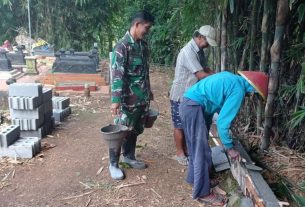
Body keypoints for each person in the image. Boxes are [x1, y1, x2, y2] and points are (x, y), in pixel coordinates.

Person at [179, 71, 269, 206]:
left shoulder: (231, 78)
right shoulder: (238, 90)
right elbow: (222, 123)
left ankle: (195, 179)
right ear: (252, 89)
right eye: (254, 94)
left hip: (190, 105)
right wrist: (229, 147)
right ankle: (203, 193)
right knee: (200, 152)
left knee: (197, 148)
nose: (250, 96)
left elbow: (214, 102)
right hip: (194, 107)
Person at [109, 10, 155, 180]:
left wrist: (148, 90)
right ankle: (113, 164)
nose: (147, 31)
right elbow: (117, 75)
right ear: (137, 25)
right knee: (120, 131)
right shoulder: (122, 47)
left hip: (141, 99)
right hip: (127, 100)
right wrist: (115, 101)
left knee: (134, 129)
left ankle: (129, 157)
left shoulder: (143, 46)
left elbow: (145, 71)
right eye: (146, 28)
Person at [169, 25, 217, 165]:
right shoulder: (188, 52)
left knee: (188, 124)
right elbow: (201, 75)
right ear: (200, 37)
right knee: (179, 125)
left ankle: (187, 150)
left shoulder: (199, 51)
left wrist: (216, 74)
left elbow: (205, 69)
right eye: (207, 41)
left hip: (191, 95)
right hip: (180, 94)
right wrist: (218, 80)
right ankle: (180, 153)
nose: (207, 45)